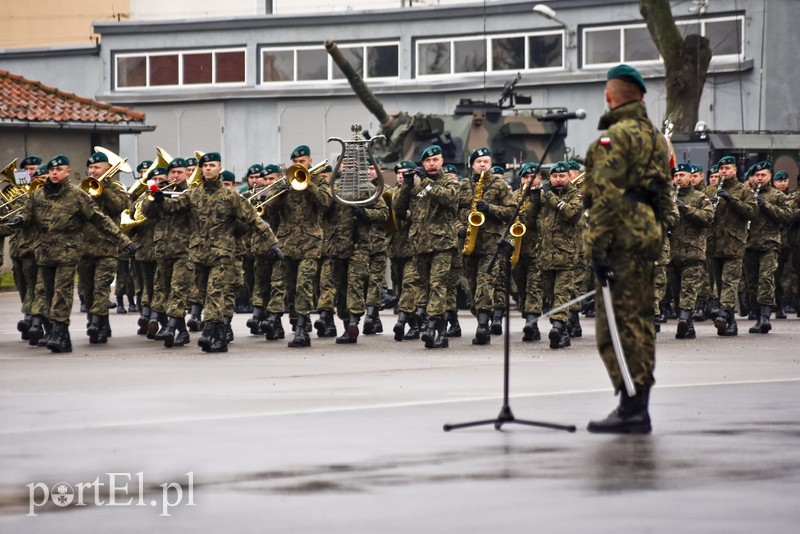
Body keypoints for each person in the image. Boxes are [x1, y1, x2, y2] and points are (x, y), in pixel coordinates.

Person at [582, 65, 673, 434]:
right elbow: (666, 193)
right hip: (645, 233)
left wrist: (595, 248)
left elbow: (604, 198)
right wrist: (658, 232)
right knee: (640, 319)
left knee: (617, 326)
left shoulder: (613, 140)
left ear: (610, 95)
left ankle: (632, 406)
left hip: (620, 236)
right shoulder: (654, 137)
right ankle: (638, 404)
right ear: (641, 97)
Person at [150, 152, 280, 352]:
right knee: (204, 294)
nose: (208, 168)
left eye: (212, 165)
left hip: (222, 255)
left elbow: (253, 219)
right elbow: (172, 208)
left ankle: (208, 332)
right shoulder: (193, 195)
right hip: (199, 254)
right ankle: (219, 337)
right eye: (206, 166)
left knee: (215, 293)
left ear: (219, 168)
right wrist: (158, 199)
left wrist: (271, 242)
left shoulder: (230, 197)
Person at [11, 154, 137, 353]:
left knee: (62, 293)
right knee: (46, 294)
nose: (54, 173)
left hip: (67, 254)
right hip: (44, 253)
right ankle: (54, 331)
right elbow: (27, 211)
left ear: (67, 172)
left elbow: (100, 220)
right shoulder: (38, 194)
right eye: (52, 170)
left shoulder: (76, 195)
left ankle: (61, 334)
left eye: (59, 170)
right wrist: (20, 219)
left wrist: (124, 241)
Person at [262, 145, 331, 348]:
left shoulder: (318, 181)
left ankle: (302, 330)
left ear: (310, 161)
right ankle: (296, 321)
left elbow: (326, 203)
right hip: (287, 242)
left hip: (310, 243)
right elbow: (268, 210)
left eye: (302, 162)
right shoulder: (284, 182)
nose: (299, 165)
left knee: (304, 285)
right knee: (289, 287)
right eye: (296, 163)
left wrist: (307, 184)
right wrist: (280, 193)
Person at [393, 145, 459, 349]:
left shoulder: (448, 181)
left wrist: (428, 183)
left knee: (438, 285)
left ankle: (432, 329)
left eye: (436, 160)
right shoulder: (415, 184)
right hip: (419, 245)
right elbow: (398, 208)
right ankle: (440, 333)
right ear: (422, 163)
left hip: (442, 244)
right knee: (424, 288)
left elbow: (450, 198)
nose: (432, 164)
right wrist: (406, 185)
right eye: (428, 161)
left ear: (442, 161)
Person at [458, 147, 515, 345]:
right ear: (472, 165)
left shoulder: (499, 185)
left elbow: (511, 210)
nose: (482, 164)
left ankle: (482, 326)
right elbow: (453, 212)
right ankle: (482, 315)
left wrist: (490, 208)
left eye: (486, 161)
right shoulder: (463, 185)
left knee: (485, 283)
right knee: (473, 287)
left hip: (491, 244)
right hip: (469, 245)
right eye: (478, 161)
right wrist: (460, 226)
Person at [78, 151, 131, 344]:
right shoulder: (81, 189)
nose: (93, 171)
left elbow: (120, 207)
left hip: (107, 248)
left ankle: (95, 322)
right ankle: (102, 323)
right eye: (91, 168)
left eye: (97, 167)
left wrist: (103, 188)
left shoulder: (116, 188)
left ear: (107, 169)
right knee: (88, 290)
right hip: (84, 248)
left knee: (101, 288)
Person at [530, 161, 583, 349]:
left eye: (562, 176)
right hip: (545, 255)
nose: (558, 180)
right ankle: (564, 332)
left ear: (569, 176)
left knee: (562, 294)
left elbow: (569, 212)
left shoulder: (575, 195)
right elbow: (529, 220)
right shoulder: (544, 196)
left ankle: (558, 328)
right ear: (549, 178)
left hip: (566, 256)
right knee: (550, 295)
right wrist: (535, 199)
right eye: (554, 176)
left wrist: (550, 195)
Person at [705, 155, 758, 336]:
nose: (724, 172)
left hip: (734, 244)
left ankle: (722, 314)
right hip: (715, 245)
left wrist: (731, 200)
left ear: (735, 170)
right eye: (721, 169)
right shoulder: (711, 190)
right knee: (720, 285)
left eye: (728, 168)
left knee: (729, 282)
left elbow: (752, 212)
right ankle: (730, 323)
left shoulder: (743, 191)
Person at [742, 161, 792, 333]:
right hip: (749, 244)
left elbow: (787, 216)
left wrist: (766, 205)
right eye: (757, 175)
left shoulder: (777, 195)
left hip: (769, 244)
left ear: (770, 176)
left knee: (766, 279)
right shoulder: (747, 194)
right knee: (752, 283)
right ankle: (757, 317)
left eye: (763, 175)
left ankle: (765, 316)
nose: (760, 178)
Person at [669, 162, 714, 339]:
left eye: (682, 175)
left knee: (689, 289)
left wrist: (685, 208)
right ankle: (688, 326)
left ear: (690, 177)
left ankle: (683, 319)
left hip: (693, 252)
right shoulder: (668, 197)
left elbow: (708, 218)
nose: (679, 179)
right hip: (673, 253)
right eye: (676, 176)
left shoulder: (700, 197)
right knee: (676, 291)